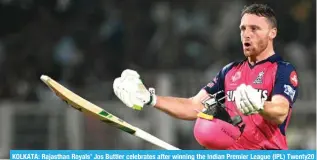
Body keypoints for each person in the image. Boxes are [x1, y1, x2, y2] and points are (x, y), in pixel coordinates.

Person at [113, 3, 299, 150]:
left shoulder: (282, 69)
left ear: (272, 33)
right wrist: (150, 98)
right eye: (243, 29)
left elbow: (281, 111)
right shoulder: (229, 72)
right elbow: (195, 106)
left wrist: (260, 105)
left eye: (254, 28)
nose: (246, 35)